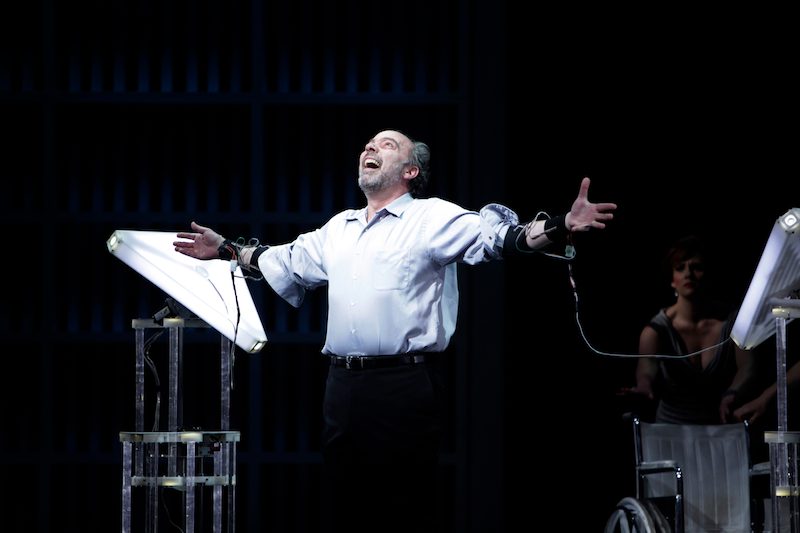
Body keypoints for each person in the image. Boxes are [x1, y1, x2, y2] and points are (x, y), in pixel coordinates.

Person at [173, 129, 617, 532]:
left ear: (410, 171)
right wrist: (226, 249)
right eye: (368, 143)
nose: (370, 146)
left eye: (387, 144)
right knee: (345, 507)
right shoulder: (339, 228)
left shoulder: (430, 217)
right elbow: (283, 260)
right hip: (342, 386)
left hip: (403, 384)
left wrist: (560, 225)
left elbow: (498, 238)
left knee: (403, 510)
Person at [620, 235, 755, 424]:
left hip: (720, 426)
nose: (688, 273)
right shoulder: (657, 330)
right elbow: (646, 369)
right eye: (680, 268)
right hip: (671, 428)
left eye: (696, 267)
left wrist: (733, 393)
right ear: (672, 280)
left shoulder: (733, 322)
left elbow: (748, 366)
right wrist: (643, 386)